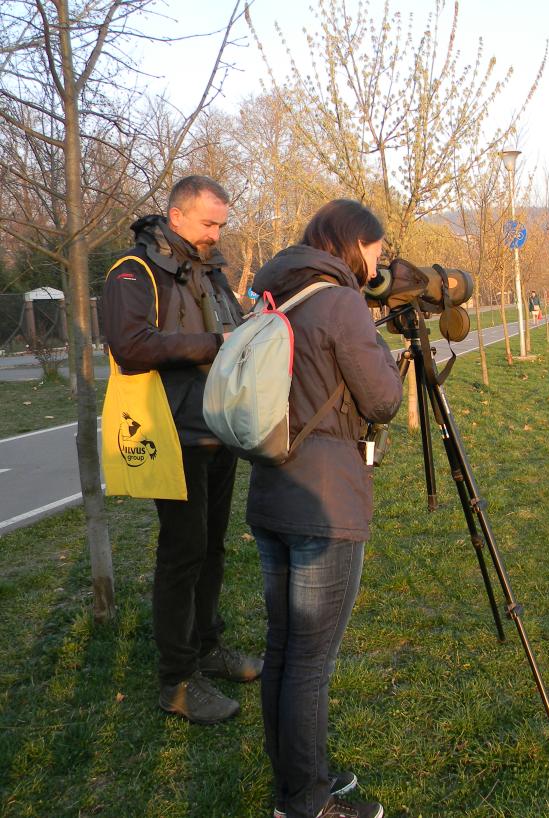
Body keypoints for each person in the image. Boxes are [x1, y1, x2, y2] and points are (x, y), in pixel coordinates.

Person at [247, 199, 402, 818]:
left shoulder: (271, 295)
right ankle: (306, 805)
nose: (379, 262)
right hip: (325, 501)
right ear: (352, 242)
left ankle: (297, 781)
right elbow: (384, 400)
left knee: (284, 649)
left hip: (270, 491)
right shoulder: (340, 303)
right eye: (376, 250)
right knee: (310, 661)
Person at [102, 175, 261, 725]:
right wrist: (214, 345)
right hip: (172, 433)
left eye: (222, 224)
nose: (217, 234)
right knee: (181, 554)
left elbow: (236, 332)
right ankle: (176, 680)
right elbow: (129, 345)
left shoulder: (211, 272)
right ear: (176, 218)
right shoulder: (134, 272)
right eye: (209, 223)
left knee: (213, 548)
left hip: (218, 427)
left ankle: (207, 646)